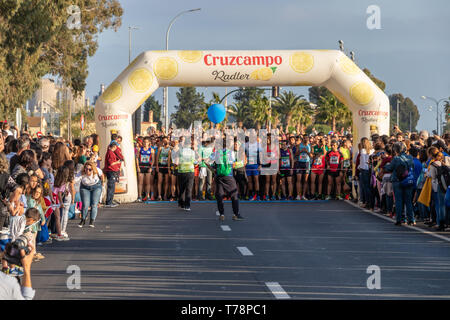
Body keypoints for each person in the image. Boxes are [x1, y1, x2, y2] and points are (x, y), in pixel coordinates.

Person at [206, 136, 244, 221]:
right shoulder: (231, 153)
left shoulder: (216, 153)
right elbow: (236, 163)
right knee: (234, 195)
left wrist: (214, 170)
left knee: (219, 195)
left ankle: (222, 214)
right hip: (229, 176)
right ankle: (236, 214)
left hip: (219, 176)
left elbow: (206, 161)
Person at [384, 142, 415, 226]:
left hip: (397, 181)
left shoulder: (396, 159)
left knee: (398, 201)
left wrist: (385, 165)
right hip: (408, 180)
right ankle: (411, 219)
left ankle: (399, 219)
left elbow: (389, 168)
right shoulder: (410, 157)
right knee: (408, 201)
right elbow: (413, 167)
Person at [79, 161, 103, 228]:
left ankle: (92, 220)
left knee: (94, 204)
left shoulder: (97, 170)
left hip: (96, 187)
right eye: (86, 169)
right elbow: (74, 180)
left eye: (90, 169)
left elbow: (102, 175)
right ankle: (83, 220)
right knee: (85, 205)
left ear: (93, 169)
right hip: (85, 187)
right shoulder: (81, 173)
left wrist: (102, 184)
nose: (88, 171)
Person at [177, 138, 197, 211]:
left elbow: (176, 161)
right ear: (189, 145)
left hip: (181, 171)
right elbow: (194, 161)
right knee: (189, 189)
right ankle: (187, 206)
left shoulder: (180, 151)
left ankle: (181, 203)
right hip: (190, 171)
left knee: (182, 188)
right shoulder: (192, 152)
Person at [103, 141, 123, 207]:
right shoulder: (110, 153)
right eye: (115, 147)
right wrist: (117, 162)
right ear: (114, 147)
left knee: (112, 187)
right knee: (111, 187)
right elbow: (111, 163)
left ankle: (110, 201)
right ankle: (109, 202)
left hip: (112, 170)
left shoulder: (111, 152)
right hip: (111, 170)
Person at [136, 137, 154, 202]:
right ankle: (139, 196)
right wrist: (138, 167)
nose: (145, 143)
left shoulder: (151, 150)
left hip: (148, 167)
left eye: (147, 142)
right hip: (141, 166)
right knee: (140, 182)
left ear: (149, 143)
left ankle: (148, 196)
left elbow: (153, 160)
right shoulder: (139, 149)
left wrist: (151, 167)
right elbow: (137, 158)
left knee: (148, 183)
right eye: (144, 142)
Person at [156, 136, 171, 201]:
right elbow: (157, 157)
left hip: (167, 166)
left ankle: (165, 195)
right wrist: (157, 166)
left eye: (166, 141)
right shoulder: (160, 148)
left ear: (168, 141)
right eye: (164, 141)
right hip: (161, 165)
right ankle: (159, 195)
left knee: (166, 182)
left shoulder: (170, 149)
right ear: (162, 142)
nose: (165, 142)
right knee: (160, 181)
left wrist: (169, 168)